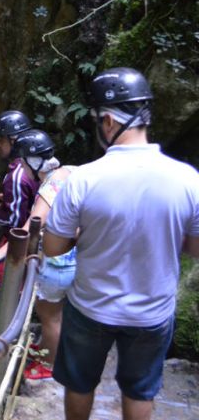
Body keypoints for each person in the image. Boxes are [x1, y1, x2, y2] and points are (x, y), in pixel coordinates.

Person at [43, 67, 199, 420]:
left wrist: (85, 235)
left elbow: (53, 248)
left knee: (80, 383)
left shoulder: (82, 180)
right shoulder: (188, 180)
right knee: (140, 388)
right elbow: (195, 247)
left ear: (109, 120)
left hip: (91, 308)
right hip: (152, 312)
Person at [0, 129, 77, 380]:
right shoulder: (70, 171)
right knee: (57, 314)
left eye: (23, 161)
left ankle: (48, 365)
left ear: (33, 161)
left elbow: (24, 230)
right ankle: (48, 352)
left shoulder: (50, 186)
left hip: (58, 263)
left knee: (50, 316)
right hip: (75, 257)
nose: (21, 166)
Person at [0, 110, 38, 280]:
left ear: (14, 140)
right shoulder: (33, 162)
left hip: (19, 243)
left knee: (11, 280)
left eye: (1, 139)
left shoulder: (17, 177)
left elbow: (16, 222)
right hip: (33, 237)